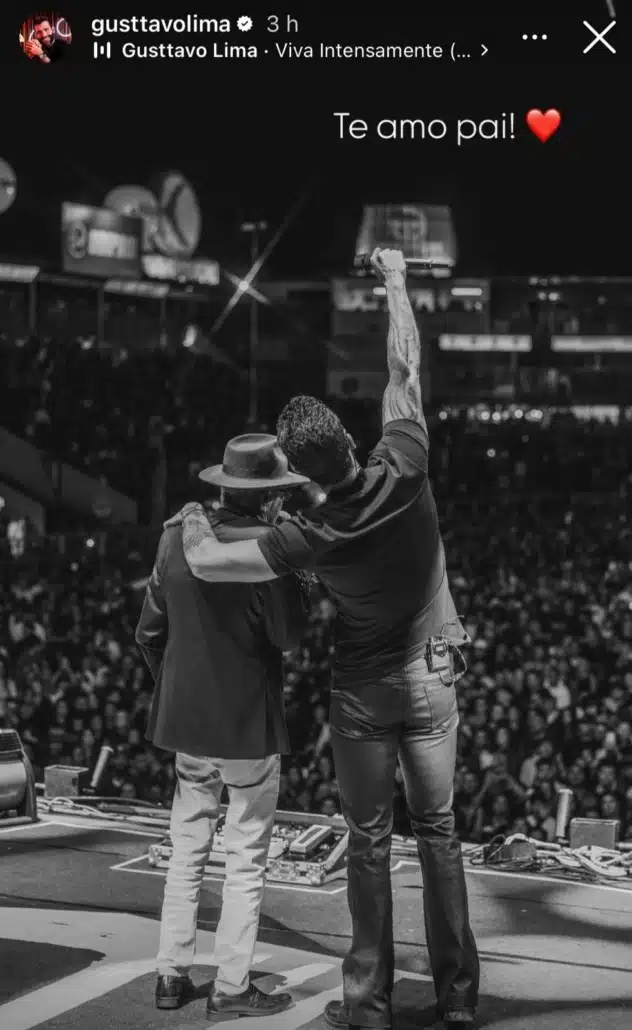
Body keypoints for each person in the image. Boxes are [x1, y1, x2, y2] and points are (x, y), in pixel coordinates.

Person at [167, 248, 480, 1030]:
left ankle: (368, 1005)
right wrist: (398, 281)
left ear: (300, 477)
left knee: (370, 841)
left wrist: (199, 509)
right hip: (435, 672)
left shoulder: (310, 533)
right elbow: (404, 365)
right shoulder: (405, 460)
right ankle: (459, 1000)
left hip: (365, 692)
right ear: (350, 434)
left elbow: (208, 558)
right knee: (439, 832)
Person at [136, 434, 310, 1019]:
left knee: (186, 848)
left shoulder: (174, 538)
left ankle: (170, 975)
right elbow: (289, 637)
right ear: (269, 498)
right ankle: (232, 989)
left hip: (186, 724)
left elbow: (149, 633)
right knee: (244, 858)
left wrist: (181, 692)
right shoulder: (270, 550)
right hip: (245, 727)